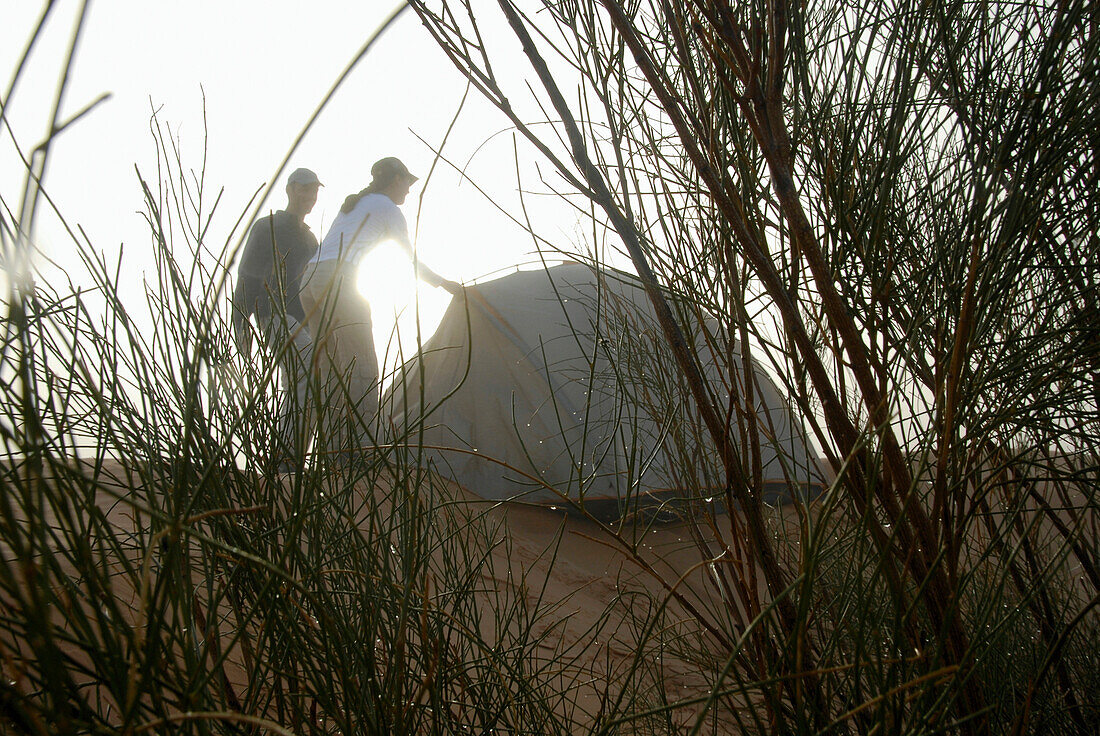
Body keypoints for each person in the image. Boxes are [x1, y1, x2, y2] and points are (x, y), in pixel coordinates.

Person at [300, 157, 460, 454]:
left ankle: (333, 452)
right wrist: (444, 284)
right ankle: (360, 451)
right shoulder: (388, 208)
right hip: (338, 278)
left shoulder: (355, 203)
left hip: (309, 280)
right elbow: (409, 261)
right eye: (408, 183)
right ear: (395, 179)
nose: (410, 191)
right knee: (363, 369)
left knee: (332, 371)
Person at [231, 167, 322, 459]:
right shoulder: (267, 226)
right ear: (290, 190)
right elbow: (246, 276)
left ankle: (287, 458)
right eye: (304, 189)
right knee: (308, 370)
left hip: (304, 321)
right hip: (273, 315)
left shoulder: (310, 240)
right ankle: (286, 459)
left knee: (303, 382)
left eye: (314, 191)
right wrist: (240, 325)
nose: (310, 196)